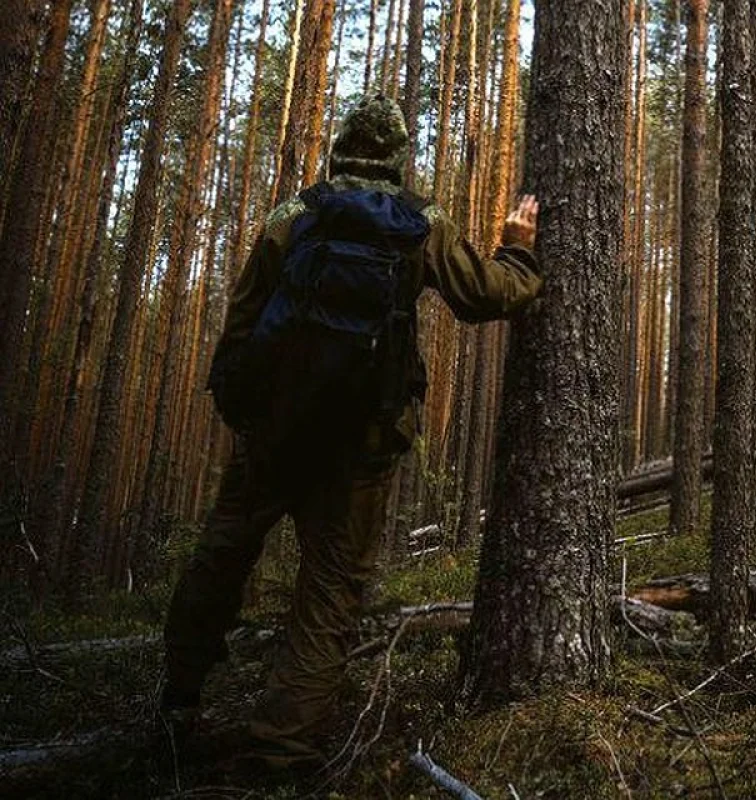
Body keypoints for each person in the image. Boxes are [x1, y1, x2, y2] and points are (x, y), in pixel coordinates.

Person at [159, 94, 542, 769]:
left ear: (339, 147)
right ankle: (282, 746)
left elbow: (243, 319)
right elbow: (486, 295)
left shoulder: (294, 212)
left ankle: (177, 706)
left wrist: (246, 415)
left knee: (222, 556)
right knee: (330, 587)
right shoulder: (422, 219)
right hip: (363, 439)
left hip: (274, 430)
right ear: (399, 157)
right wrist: (517, 253)